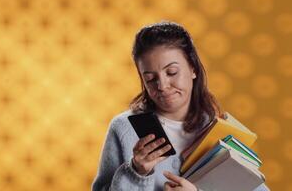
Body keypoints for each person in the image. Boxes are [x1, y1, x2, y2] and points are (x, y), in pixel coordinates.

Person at [92, 21, 269, 191]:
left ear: (193, 69)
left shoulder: (221, 132)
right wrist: (136, 172)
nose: (162, 85)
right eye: (150, 78)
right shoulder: (124, 128)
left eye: (172, 72)